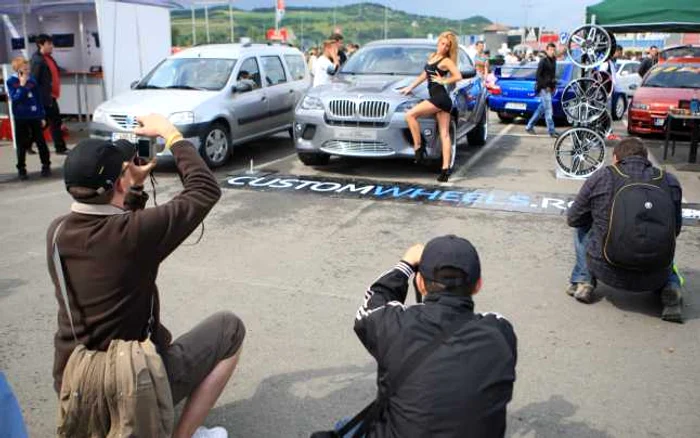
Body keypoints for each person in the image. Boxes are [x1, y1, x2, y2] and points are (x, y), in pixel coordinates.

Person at [47, 113, 246, 438]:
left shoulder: (57, 232)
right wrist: (171, 134)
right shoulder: (133, 235)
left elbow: (121, 230)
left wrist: (133, 185)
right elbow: (205, 190)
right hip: (126, 383)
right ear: (118, 183)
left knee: (160, 337)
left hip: (75, 381)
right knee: (230, 330)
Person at [345, 235, 517, 437]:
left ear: (420, 283)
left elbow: (370, 307)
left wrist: (405, 265)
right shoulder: (501, 332)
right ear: (478, 284)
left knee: (346, 426)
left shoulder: (397, 326)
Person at [566, 138, 684, 322]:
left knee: (581, 226)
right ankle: (670, 287)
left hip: (607, 269)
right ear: (647, 159)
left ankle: (584, 281)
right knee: (665, 236)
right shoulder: (669, 181)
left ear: (615, 159)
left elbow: (573, 218)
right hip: (656, 273)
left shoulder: (603, 176)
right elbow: (675, 229)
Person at [401, 31, 463, 183]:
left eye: (447, 46)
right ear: (438, 42)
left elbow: (458, 76)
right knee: (444, 135)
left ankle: (418, 147)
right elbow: (425, 75)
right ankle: (444, 171)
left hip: (440, 98)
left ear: (449, 48)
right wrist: (410, 87)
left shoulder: (446, 61)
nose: (444, 47)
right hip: (440, 100)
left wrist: (444, 81)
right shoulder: (432, 57)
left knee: (410, 115)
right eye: (442, 44)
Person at [6, 56, 51, 180]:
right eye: (24, 69)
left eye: (28, 69)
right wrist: (22, 85)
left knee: (40, 142)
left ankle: (46, 165)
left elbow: (38, 99)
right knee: (21, 144)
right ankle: (21, 168)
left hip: (34, 115)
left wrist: (42, 115)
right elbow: (15, 99)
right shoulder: (11, 82)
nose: (27, 71)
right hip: (21, 116)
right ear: (18, 70)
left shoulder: (33, 81)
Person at [30, 34, 68, 154]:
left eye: (51, 43)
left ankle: (60, 147)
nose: (52, 46)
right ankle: (59, 147)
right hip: (44, 98)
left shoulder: (49, 58)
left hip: (51, 96)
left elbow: (53, 71)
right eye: (49, 44)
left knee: (52, 122)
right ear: (41, 45)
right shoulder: (37, 60)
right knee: (49, 123)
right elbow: (34, 81)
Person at [525, 42, 559, 138]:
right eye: (551, 50)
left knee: (541, 109)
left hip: (549, 88)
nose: (552, 51)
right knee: (549, 110)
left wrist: (553, 86)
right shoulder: (543, 61)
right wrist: (545, 86)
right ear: (547, 50)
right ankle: (551, 131)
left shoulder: (554, 60)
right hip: (543, 88)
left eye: (553, 50)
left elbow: (552, 75)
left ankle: (529, 126)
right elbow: (538, 76)